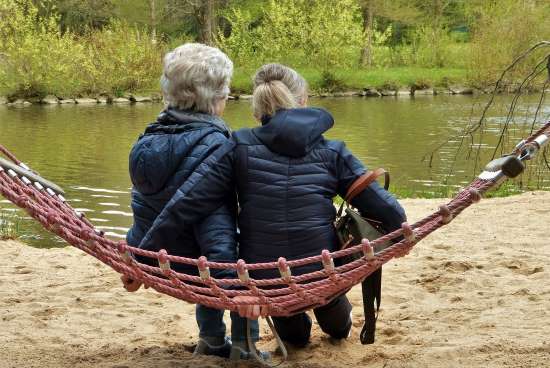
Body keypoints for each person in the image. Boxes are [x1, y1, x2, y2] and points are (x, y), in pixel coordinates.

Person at [138, 63, 406, 347]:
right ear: (303, 101)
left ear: (258, 109)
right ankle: (334, 318)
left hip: (266, 280)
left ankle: (300, 323)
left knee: (295, 338)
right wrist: (401, 234)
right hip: (323, 271)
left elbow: (189, 202)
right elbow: (384, 207)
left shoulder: (237, 145)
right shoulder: (333, 150)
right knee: (335, 318)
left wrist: (143, 256)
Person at [122, 43, 260, 360]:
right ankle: (245, 345)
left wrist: (135, 254)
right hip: (201, 261)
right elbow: (216, 228)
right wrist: (233, 289)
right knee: (246, 252)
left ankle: (211, 339)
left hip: (159, 255)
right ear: (215, 98)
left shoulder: (146, 140)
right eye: (225, 91)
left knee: (206, 253)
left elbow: (144, 208)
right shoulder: (217, 144)